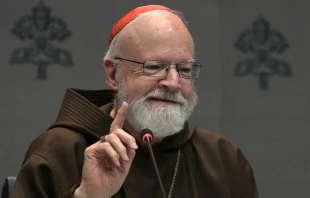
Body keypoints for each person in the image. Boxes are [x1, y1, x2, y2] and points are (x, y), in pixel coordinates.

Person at [11, 4, 259, 198]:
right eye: (154, 67)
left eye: (184, 69)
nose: (173, 83)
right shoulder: (60, 150)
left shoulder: (223, 158)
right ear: (113, 74)